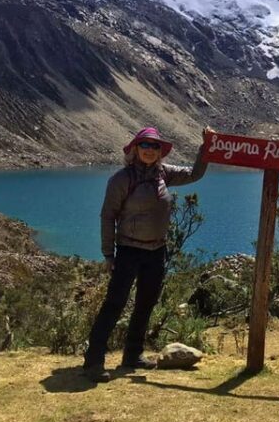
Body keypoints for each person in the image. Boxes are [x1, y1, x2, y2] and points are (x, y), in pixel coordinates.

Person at [82, 126, 211, 382]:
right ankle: (93, 361)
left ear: (160, 151)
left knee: (145, 303)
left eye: (155, 146)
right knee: (114, 304)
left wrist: (205, 147)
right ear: (135, 149)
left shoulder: (164, 173)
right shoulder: (121, 179)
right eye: (145, 145)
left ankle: (133, 354)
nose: (150, 150)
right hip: (128, 250)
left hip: (156, 250)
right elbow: (108, 216)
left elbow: (195, 174)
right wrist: (109, 254)